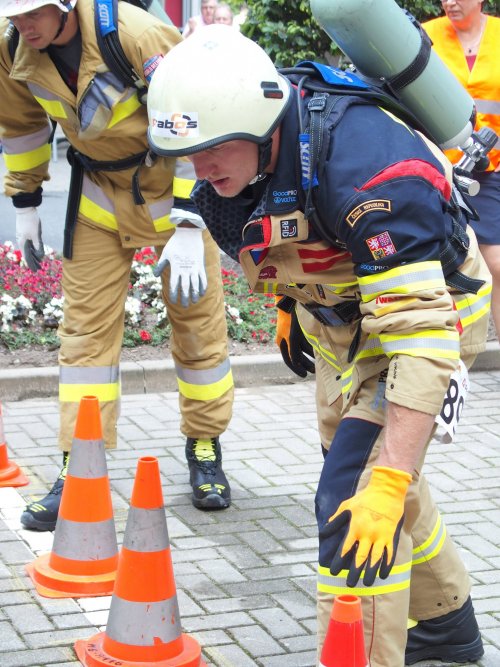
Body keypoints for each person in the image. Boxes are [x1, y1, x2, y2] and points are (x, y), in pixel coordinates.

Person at [146, 25, 491, 667]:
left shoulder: (372, 176)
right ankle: (448, 627)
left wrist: (388, 476)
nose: (201, 169)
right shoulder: (245, 159)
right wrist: (288, 303)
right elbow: (282, 230)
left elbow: (421, 339)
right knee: (380, 481)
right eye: (188, 154)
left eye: (213, 150)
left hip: (430, 321)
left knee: (353, 502)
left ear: (258, 122)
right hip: (343, 328)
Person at [0, 0, 234, 531]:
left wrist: (193, 221)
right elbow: (21, 128)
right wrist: (27, 204)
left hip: (167, 194)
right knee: (84, 339)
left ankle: (204, 447)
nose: (23, 25)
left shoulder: (135, 33)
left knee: (197, 325)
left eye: (32, 14)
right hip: (99, 197)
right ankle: (78, 468)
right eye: (14, 16)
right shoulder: (13, 47)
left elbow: (194, 120)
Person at [423, 1, 500, 342]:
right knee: (441, 264)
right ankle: (445, 354)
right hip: (439, 167)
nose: (449, 2)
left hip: (491, 170)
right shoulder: (426, 36)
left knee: (496, 265)